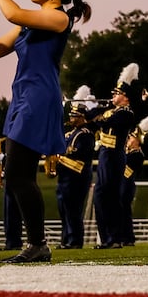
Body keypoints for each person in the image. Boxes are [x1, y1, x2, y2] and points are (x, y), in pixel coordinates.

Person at [0, 0, 92, 263]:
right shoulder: (29, 23)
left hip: (38, 98)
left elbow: (12, 12)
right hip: (22, 97)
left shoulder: (58, 18)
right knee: (16, 175)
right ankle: (37, 244)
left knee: (19, 174)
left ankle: (38, 244)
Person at [88, 65, 139, 249]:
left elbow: (105, 121)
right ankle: (108, 237)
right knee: (101, 197)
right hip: (104, 155)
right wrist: (91, 111)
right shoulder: (112, 110)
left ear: (125, 97)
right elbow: (95, 121)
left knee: (110, 196)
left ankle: (115, 237)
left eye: (117, 93)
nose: (113, 95)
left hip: (114, 156)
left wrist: (94, 111)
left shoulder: (126, 113)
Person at [56, 105, 94, 248]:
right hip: (65, 177)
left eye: (74, 116)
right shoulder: (70, 133)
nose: (71, 118)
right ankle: (65, 239)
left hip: (77, 176)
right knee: (64, 209)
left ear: (81, 117)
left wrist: (61, 156)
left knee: (73, 210)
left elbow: (80, 154)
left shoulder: (86, 134)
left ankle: (75, 240)